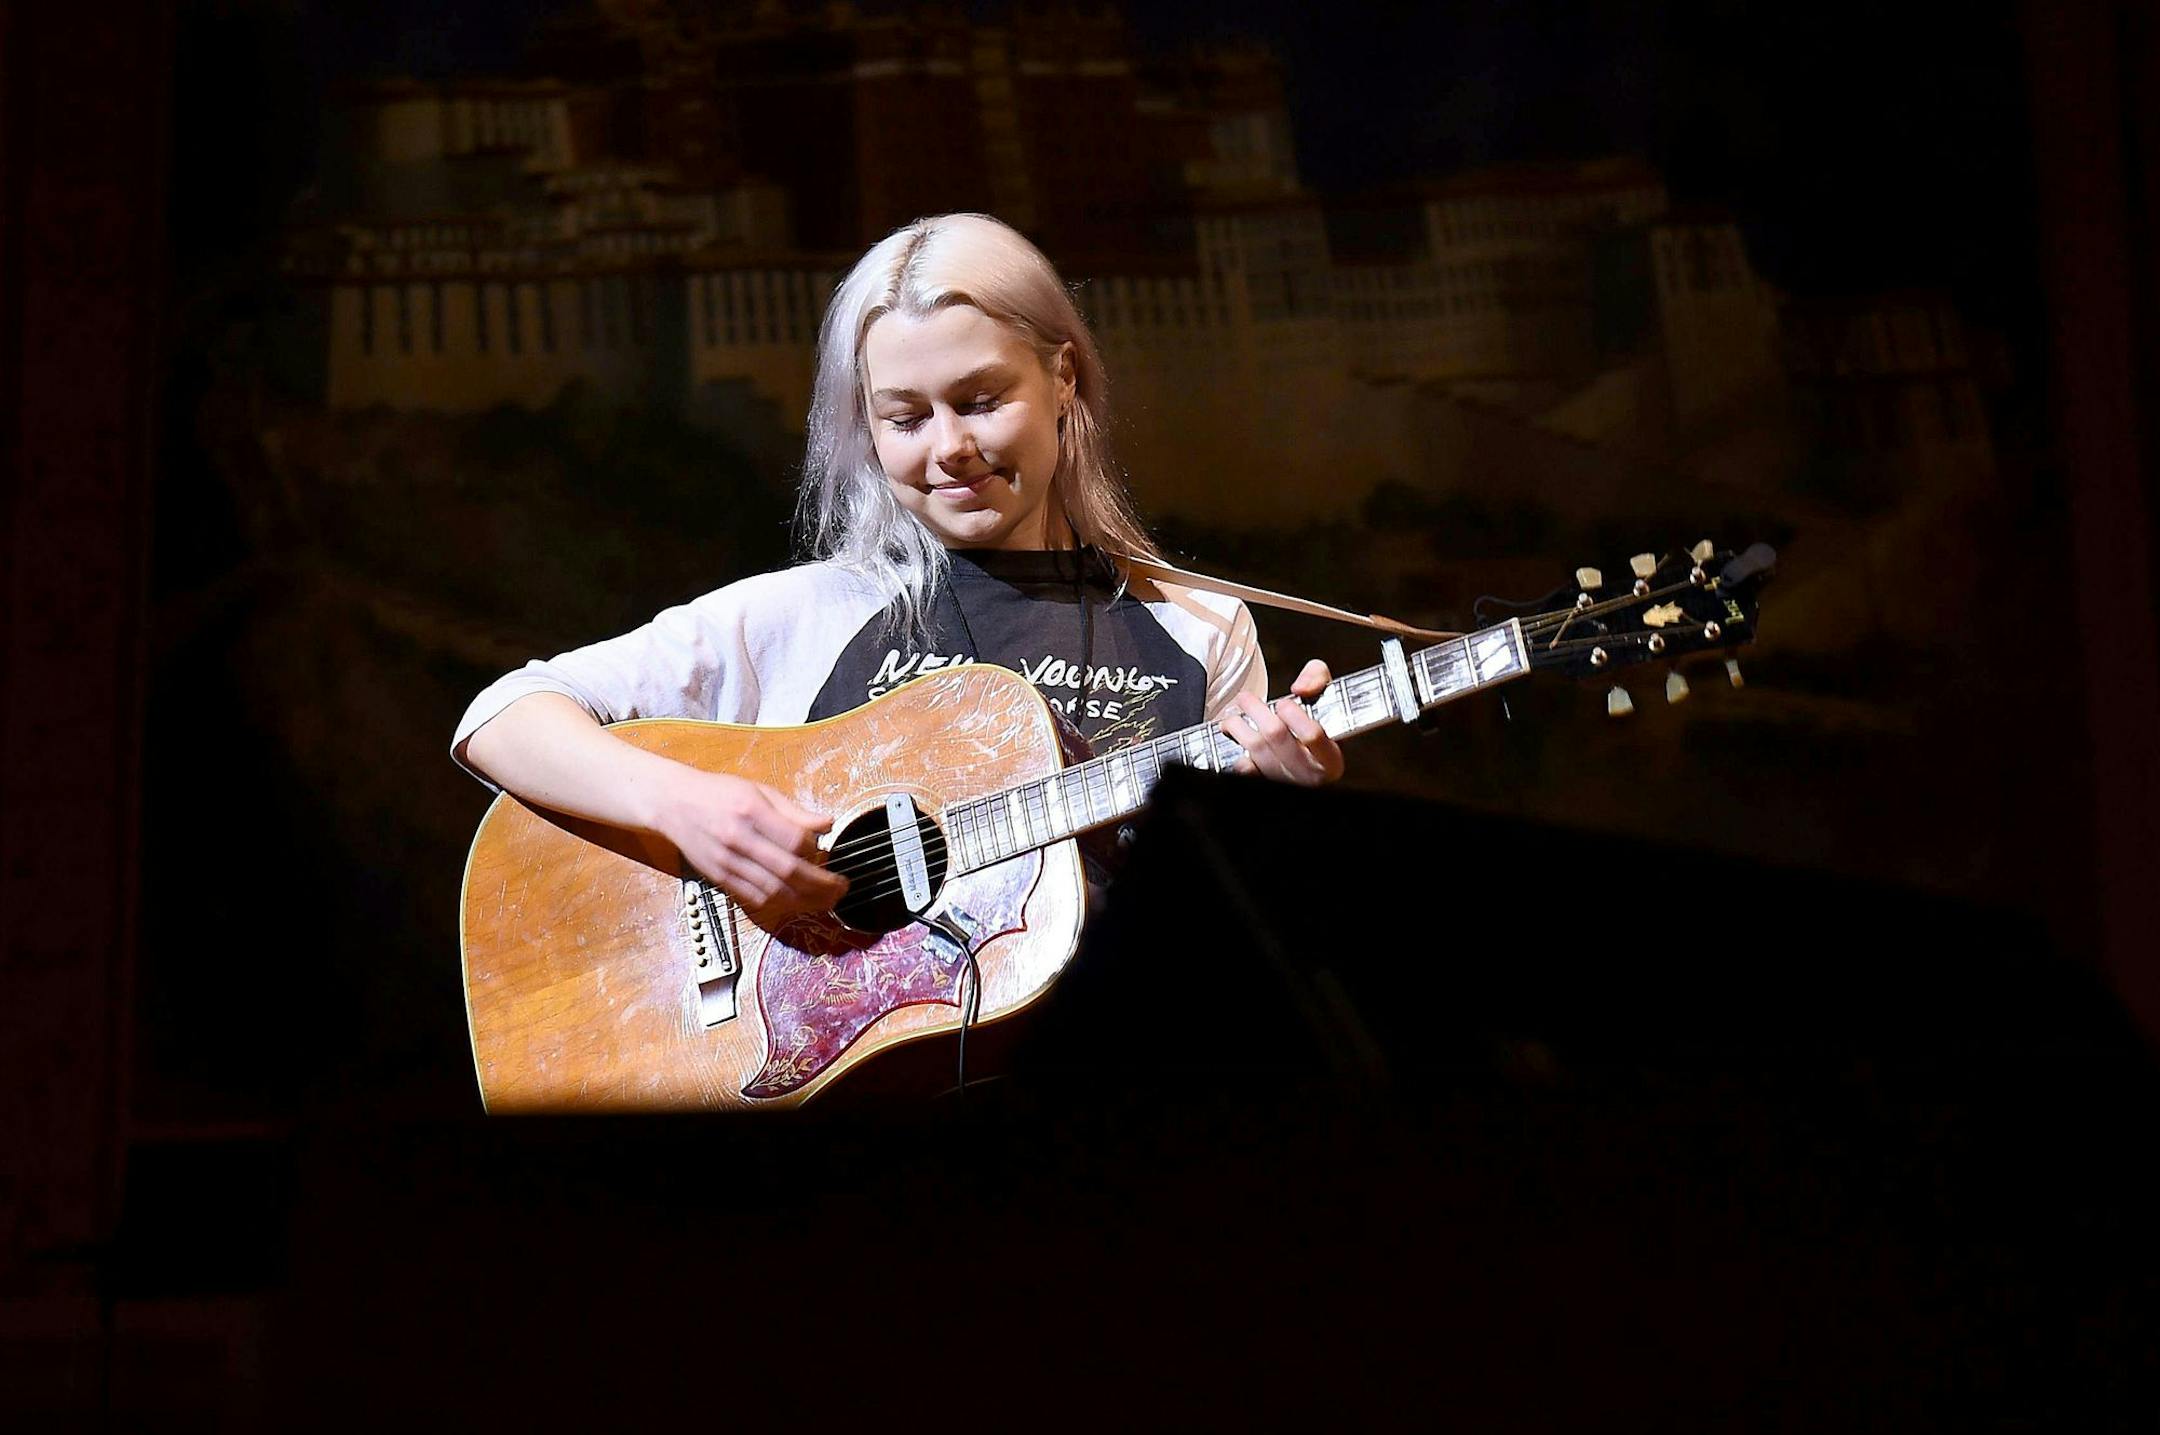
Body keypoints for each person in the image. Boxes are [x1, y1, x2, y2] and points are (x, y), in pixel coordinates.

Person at [453, 213, 1342, 929]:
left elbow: (1234, 933)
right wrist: (686, 808)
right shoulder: (811, 613)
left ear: (1064, 378)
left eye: (982, 401)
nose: (950, 448)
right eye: (906, 417)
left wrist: (1286, 822)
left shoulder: (1198, 627)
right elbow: (500, 718)